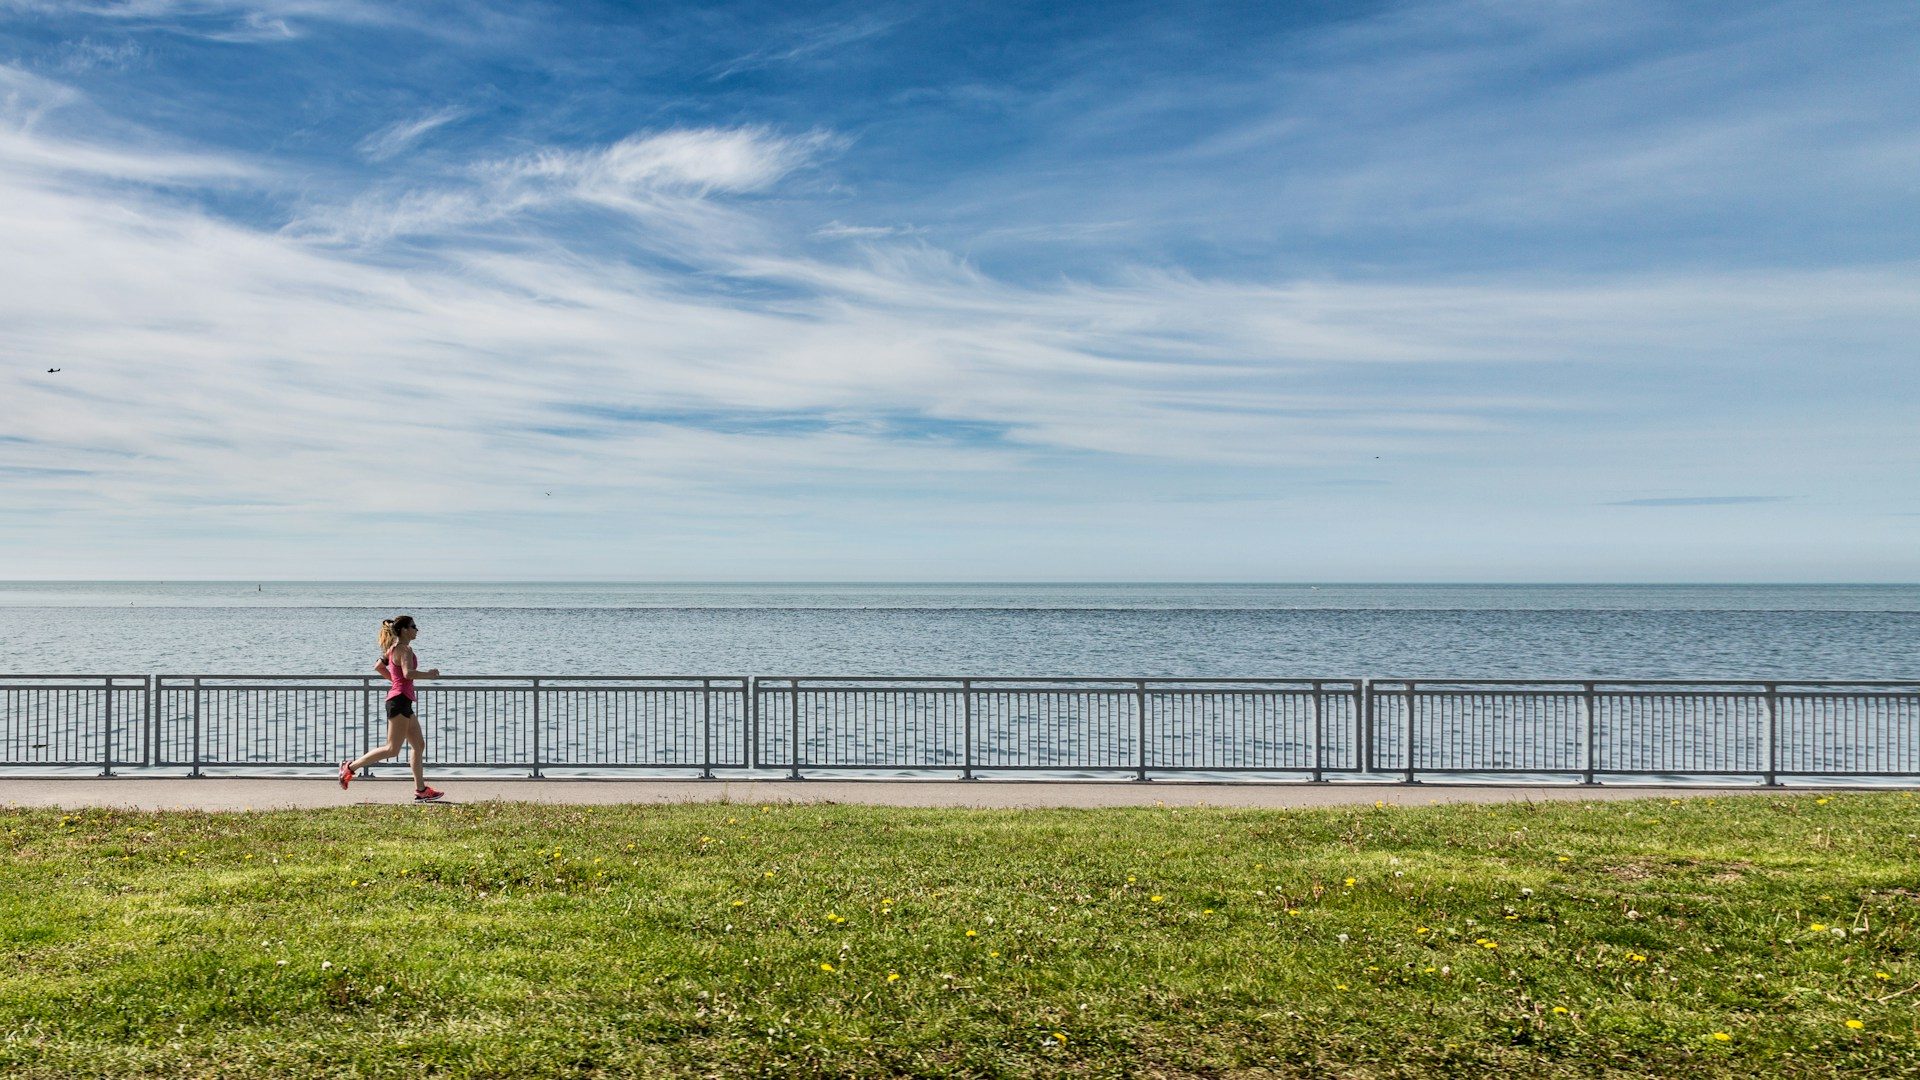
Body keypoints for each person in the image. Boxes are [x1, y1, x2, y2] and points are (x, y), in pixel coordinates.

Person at [339, 615, 445, 801]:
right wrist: (428, 674)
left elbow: (378, 666)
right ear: (404, 630)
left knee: (419, 744)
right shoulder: (404, 650)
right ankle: (350, 768)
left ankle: (421, 790)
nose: (416, 630)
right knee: (392, 749)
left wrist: (395, 682)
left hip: (402, 700)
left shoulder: (392, 649)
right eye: (413, 626)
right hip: (399, 701)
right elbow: (408, 673)